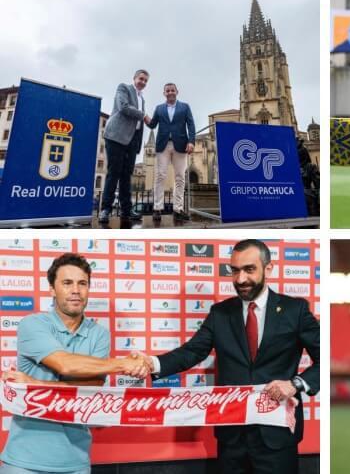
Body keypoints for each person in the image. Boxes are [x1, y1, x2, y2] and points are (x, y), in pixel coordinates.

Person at [133, 239, 320, 473]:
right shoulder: (220, 313)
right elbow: (193, 351)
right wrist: (153, 363)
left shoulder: (296, 310)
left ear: (268, 269)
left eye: (249, 269)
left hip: (277, 435)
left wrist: (296, 384)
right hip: (232, 436)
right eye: (235, 270)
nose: (240, 279)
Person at [0, 253, 150, 474]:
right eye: (67, 283)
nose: (76, 291)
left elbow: (89, 391)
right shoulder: (32, 324)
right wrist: (122, 364)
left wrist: (34, 384)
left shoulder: (99, 334)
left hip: (76, 462)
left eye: (83, 283)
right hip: (24, 461)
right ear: (52, 289)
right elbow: (64, 365)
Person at [99, 69, 151, 225]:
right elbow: (124, 107)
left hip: (132, 141)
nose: (143, 82)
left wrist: (137, 144)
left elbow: (139, 125)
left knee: (126, 176)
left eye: (145, 80)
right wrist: (144, 115)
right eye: (141, 79)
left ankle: (126, 209)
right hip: (116, 136)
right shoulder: (124, 88)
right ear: (134, 78)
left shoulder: (142, 99)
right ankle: (106, 209)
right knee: (113, 173)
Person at [146, 82, 196, 222]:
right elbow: (152, 124)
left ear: (177, 92)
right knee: (160, 176)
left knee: (180, 177)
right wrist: (144, 116)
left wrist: (191, 141)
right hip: (163, 146)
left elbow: (191, 125)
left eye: (172, 90)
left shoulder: (185, 107)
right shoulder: (159, 108)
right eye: (167, 91)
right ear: (164, 93)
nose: (170, 92)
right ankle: (157, 208)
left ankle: (178, 209)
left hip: (181, 145)